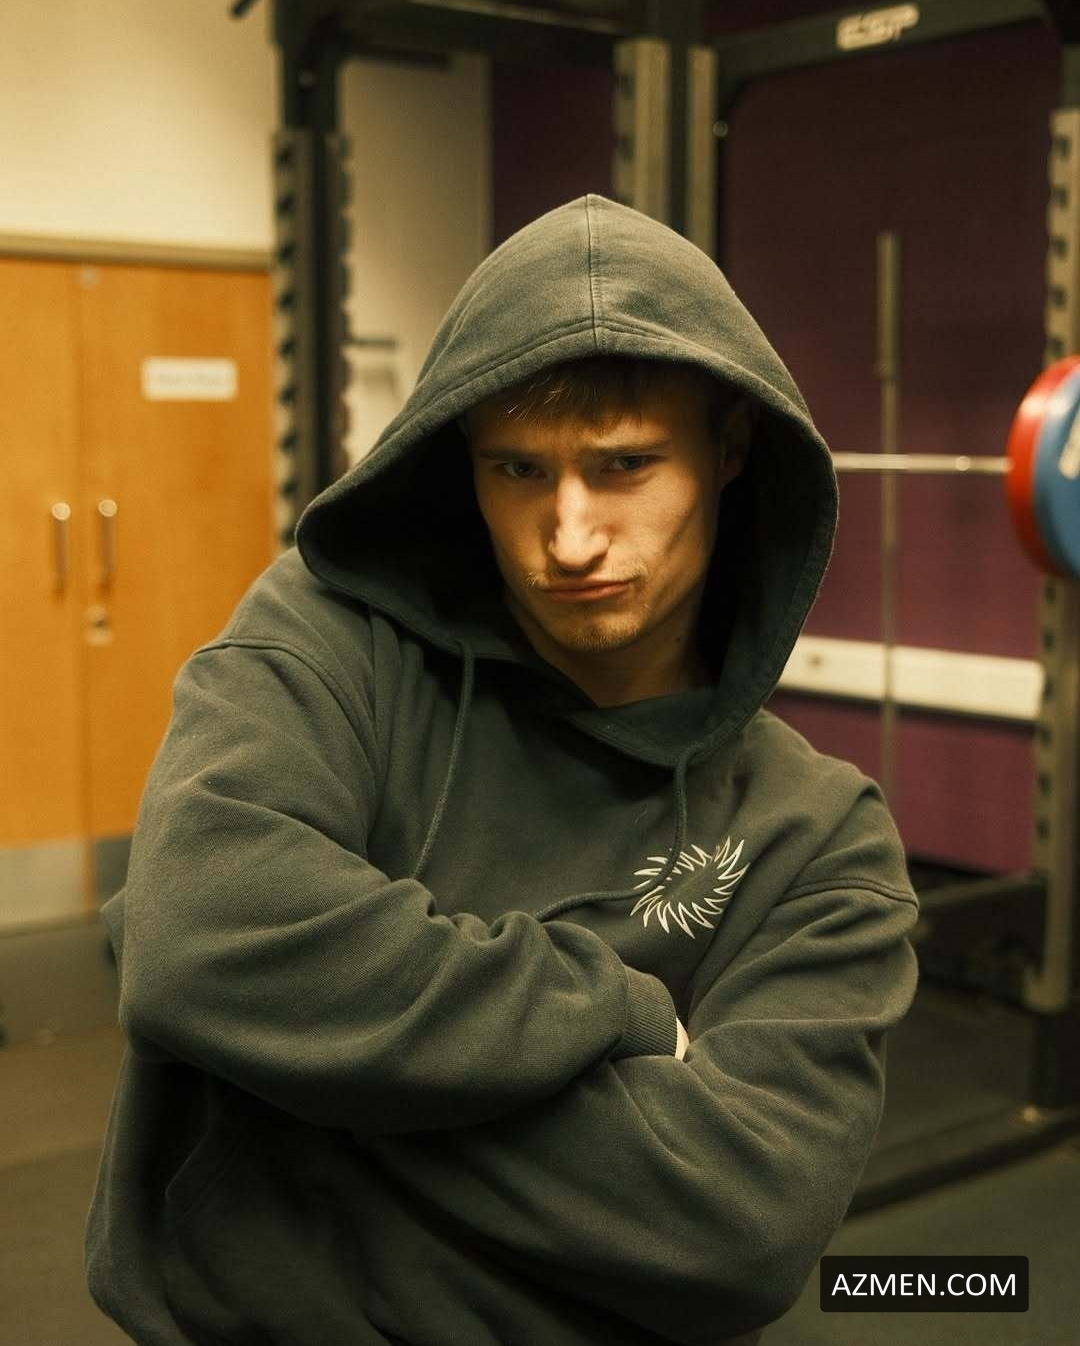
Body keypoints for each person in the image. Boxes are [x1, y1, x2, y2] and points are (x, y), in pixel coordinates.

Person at [86, 193, 919, 1346]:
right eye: (519, 470)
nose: (569, 537)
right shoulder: (334, 641)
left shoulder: (820, 838)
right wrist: (615, 1011)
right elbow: (200, 940)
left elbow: (741, 1224)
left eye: (626, 466)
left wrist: (292, 1071)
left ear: (728, 450)